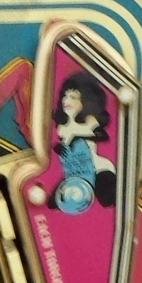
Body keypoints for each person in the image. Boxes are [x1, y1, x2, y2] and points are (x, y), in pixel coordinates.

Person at [50, 71, 117, 212]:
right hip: (75, 172)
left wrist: (77, 135)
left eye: (73, 97)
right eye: (65, 96)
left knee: (109, 201)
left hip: (98, 168)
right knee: (54, 203)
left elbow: (102, 136)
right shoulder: (62, 127)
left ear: (86, 101)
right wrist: (58, 147)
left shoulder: (90, 121)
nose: (66, 101)